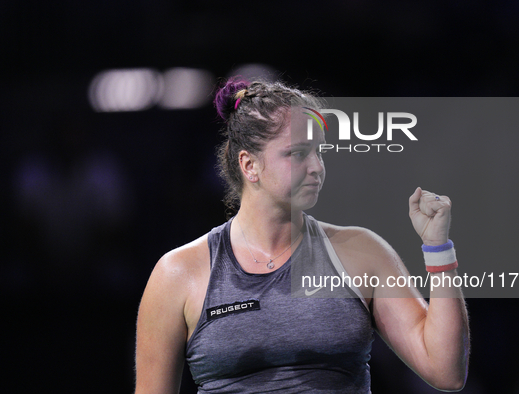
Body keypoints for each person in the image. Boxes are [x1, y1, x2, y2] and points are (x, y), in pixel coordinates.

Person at [134, 78, 470, 394]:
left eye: (318, 151)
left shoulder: (362, 252)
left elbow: (446, 371)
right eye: (298, 154)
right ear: (250, 166)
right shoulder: (177, 275)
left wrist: (438, 248)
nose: (317, 167)